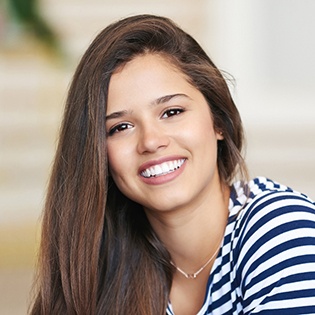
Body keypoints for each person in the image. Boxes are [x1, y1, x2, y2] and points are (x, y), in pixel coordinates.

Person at [29, 14, 315, 315]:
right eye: (120, 127)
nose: (151, 141)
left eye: (172, 111)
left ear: (218, 120)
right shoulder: (103, 268)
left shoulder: (282, 232)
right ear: (98, 155)